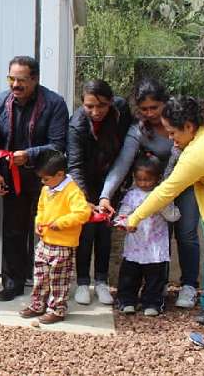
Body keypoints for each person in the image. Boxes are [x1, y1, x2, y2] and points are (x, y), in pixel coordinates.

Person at [122, 96, 204, 351]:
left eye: (173, 132)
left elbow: (165, 192)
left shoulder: (197, 152)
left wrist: (134, 217)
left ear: (189, 127)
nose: (171, 139)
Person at [99, 78, 201, 308]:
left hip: (185, 184)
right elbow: (123, 164)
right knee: (156, 234)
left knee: (186, 233)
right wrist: (105, 195)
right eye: (144, 109)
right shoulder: (139, 130)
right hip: (154, 189)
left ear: (165, 103)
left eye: (154, 107)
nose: (149, 113)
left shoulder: (180, 122)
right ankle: (158, 284)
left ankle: (189, 285)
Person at [0, 56, 69, 302]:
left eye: (21, 80)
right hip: (11, 176)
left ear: (35, 79)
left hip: (46, 179)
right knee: (13, 230)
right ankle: (12, 283)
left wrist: (30, 154)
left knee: (46, 230)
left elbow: (58, 145)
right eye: (11, 79)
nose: (15, 85)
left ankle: (46, 284)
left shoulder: (54, 103)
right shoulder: (0, 102)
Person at [67, 79, 132, 305]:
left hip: (111, 180)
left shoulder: (121, 112)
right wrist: (85, 200)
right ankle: (83, 282)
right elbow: (74, 166)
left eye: (101, 106)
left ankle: (102, 281)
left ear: (111, 102)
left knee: (105, 233)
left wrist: (112, 189)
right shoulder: (76, 124)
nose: (95, 112)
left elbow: (126, 147)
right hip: (85, 182)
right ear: (82, 103)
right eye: (89, 106)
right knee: (85, 233)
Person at [19, 150, 91, 324]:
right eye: (42, 179)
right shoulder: (46, 189)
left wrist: (61, 222)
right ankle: (38, 304)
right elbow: (41, 209)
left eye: (46, 178)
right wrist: (38, 221)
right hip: (45, 241)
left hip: (63, 244)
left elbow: (83, 212)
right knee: (40, 276)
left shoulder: (73, 191)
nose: (43, 182)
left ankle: (57, 309)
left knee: (58, 279)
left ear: (60, 174)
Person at [115, 155, 180, 317]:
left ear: (157, 179)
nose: (143, 183)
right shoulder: (132, 195)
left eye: (147, 180)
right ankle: (126, 300)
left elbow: (174, 216)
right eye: (139, 179)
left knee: (155, 277)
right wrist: (122, 223)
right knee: (130, 274)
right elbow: (123, 213)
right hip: (136, 243)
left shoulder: (162, 194)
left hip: (155, 245)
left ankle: (152, 302)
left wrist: (162, 207)